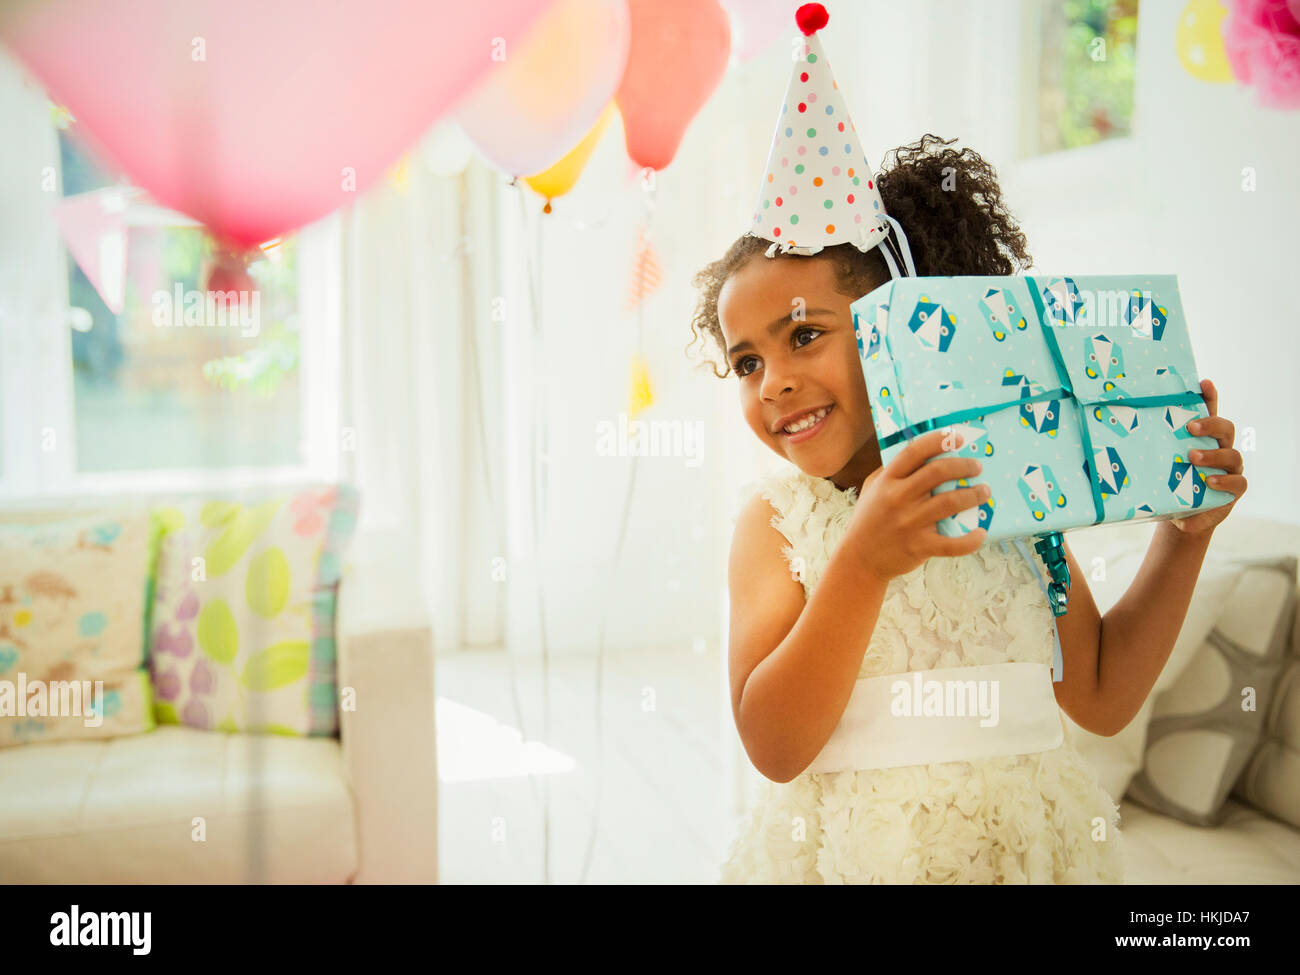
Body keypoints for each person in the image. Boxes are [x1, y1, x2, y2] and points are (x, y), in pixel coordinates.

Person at [688, 4, 1247, 883]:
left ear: (902, 323)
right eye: (746, 360)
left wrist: (1184, 538)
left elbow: (1100, 694)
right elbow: (774, 742)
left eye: (803, 336)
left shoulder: (1012, 485)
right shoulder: (777, 525)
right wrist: (863, 563)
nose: (773, 384)